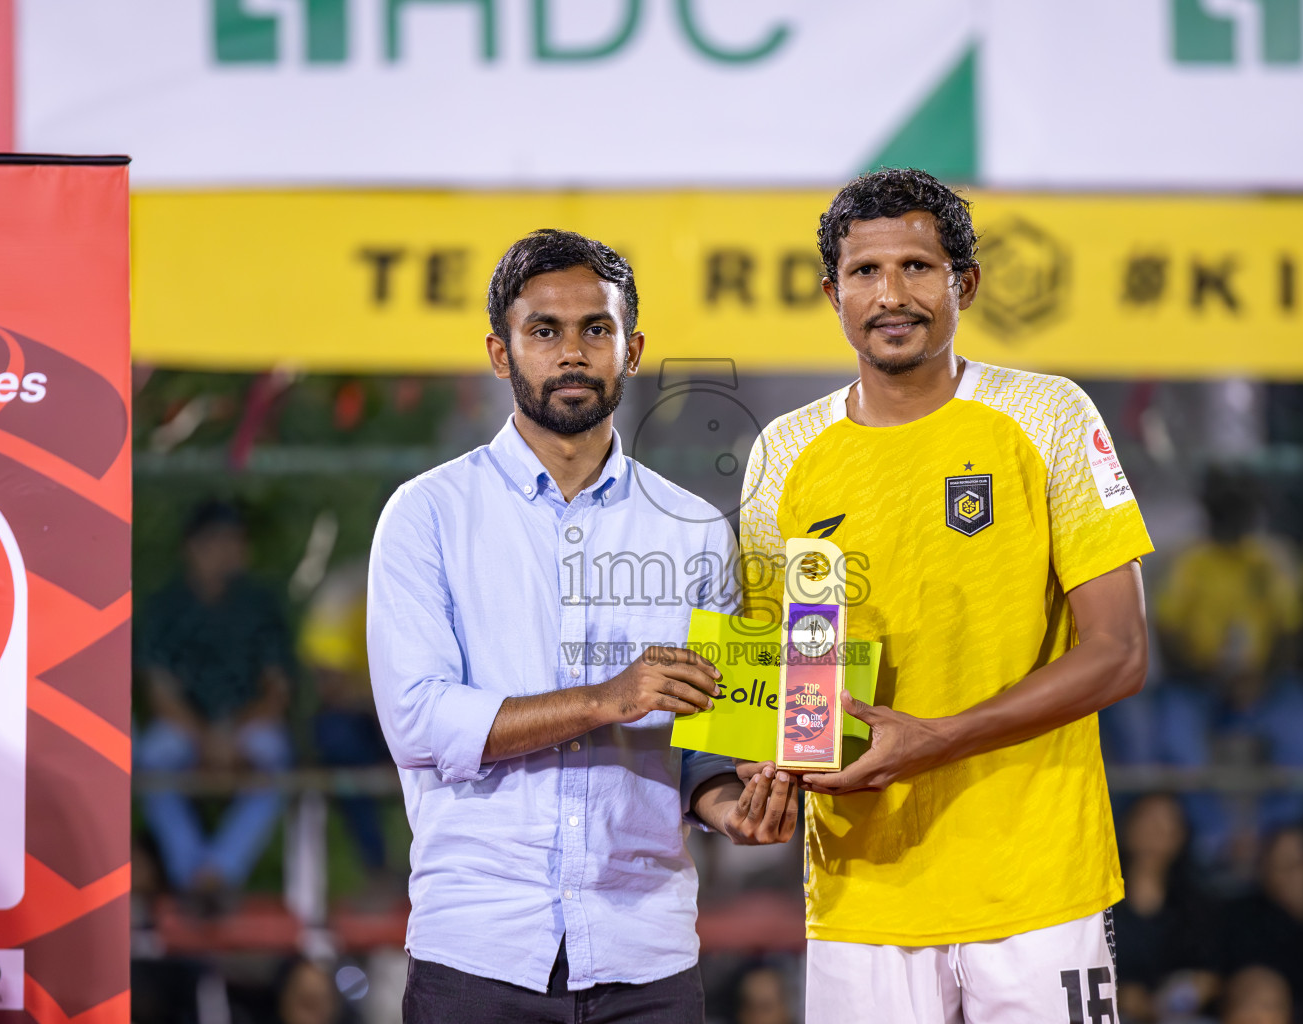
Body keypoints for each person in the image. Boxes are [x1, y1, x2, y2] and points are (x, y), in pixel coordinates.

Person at [739, 168, 1153, 1022]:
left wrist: (934, 739)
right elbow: (774, 670)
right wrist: (760, 767)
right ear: (832, 293)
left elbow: (1118, 654)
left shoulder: (1048, 417)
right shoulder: (783, 451)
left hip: (1037, 882)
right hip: (863, 893)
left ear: (964, 283)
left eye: (917, 268)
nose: (891, 295)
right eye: (864, 273)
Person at [367, 229, 797, 1023]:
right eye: (544, 331)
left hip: (648, 955)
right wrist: (607, 699)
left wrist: (733, 805)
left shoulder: (696, 530)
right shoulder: (427, 515)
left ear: (631, 351)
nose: (572, 352)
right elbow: (422, 723)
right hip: (477, 952)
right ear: (501, 353)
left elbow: (703, 747)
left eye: (595, 329)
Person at [1135, 467, 1303, 861]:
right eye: (1223, 510)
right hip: (1198, 684)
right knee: (1175, 734)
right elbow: (1168, 640)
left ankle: (1272, 833)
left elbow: (1292, 634)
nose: (1231, 519)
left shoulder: (1270, 560)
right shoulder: (1188, 561)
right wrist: (1210, 677)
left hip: (1263, 686)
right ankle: (1217, 836)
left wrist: (1260, 680)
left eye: (1239, 510)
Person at [135, 499, 295, 908]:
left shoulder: (260, 605)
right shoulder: (166, 608)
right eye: (216, 541)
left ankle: (216, 874)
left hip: (246, 729)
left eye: (234, 541)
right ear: (192, 547)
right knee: (149, 757)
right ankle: (196, 876)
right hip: (187, 731)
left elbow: (277, 690)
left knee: (278, 760)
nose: (227, 551)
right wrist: (208, 739)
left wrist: (231, 735)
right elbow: (160, 693)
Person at [298, 560, 389, 881]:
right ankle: (376, 870)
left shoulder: (451, 585)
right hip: (365, 723)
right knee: (340, 741)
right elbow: (329, 685)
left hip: (421, 717)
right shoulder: (346, 590)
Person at [1219, 828, 1303, 1024]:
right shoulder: (1243, 915)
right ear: (1265, 871)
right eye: (1282, 865)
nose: (1293, 874)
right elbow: (1252, 986)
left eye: (1299, 863)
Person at [1110, 794, 1220, 1024]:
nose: (1155, 832)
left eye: (1166, 823)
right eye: (1147, 821)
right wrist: (1120, 996)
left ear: (1180, 836)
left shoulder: (1195, 903)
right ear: (1126, 827)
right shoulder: (1100, 899)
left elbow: (1209, 973)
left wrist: (1186, 993)